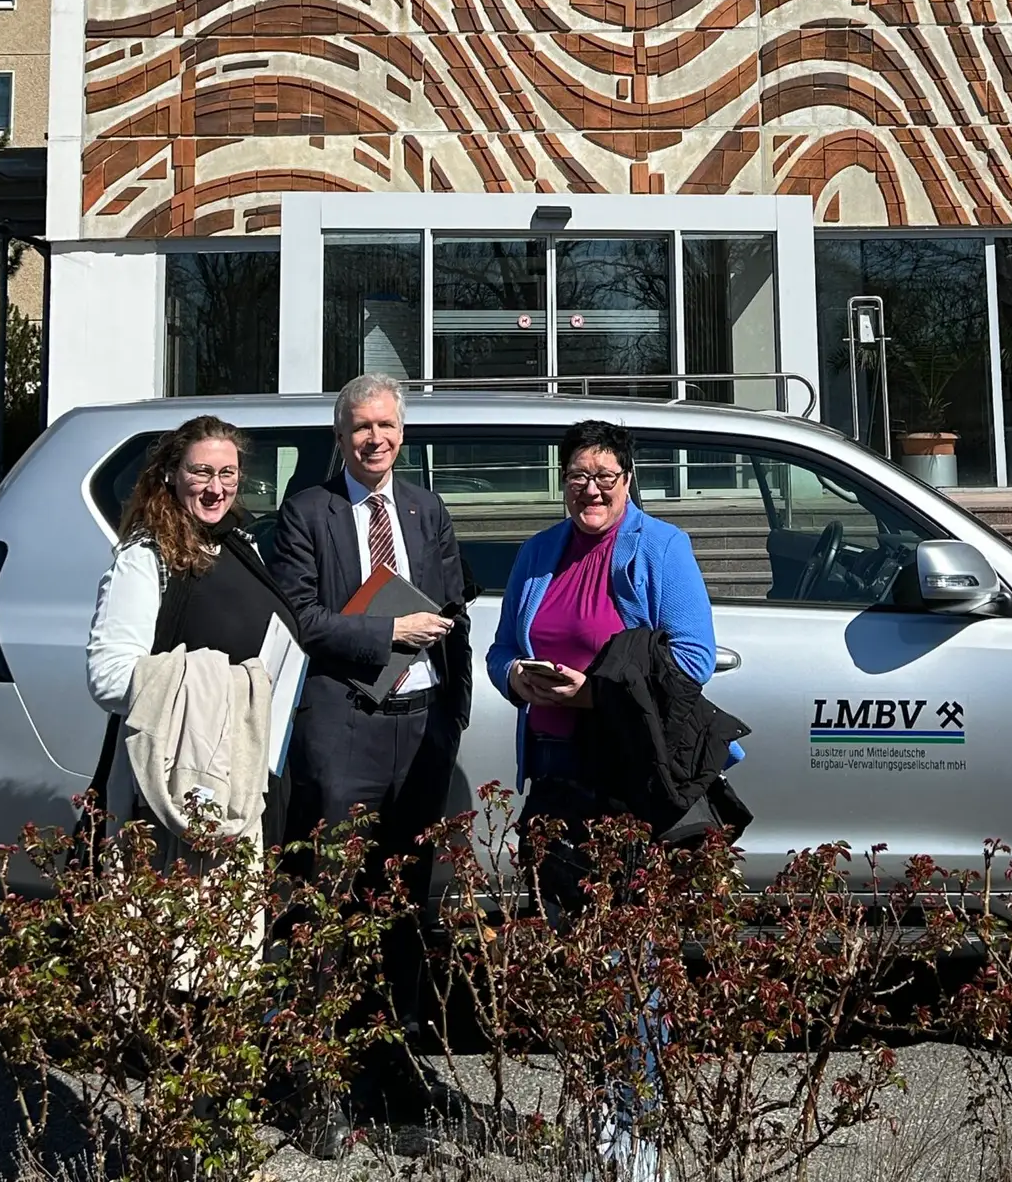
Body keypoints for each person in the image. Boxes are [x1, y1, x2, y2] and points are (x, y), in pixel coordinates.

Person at [269, 373, 471, 1123]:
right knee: (330, 898)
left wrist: (452, 715)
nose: (374, 439)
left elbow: (454, 610)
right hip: (343, 726)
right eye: (360, 428)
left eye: (386, 426)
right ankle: (319, 1078)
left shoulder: (424, 509)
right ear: (339, 434)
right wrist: (385, 633)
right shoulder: (306, 512)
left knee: (405, 900)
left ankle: (395, 1064)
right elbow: (300, 617)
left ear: (403, 432)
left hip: (419, 726)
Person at [486, 417, 719, 837]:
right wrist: (515, 677)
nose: (591, 490)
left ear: (627, 480)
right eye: (578, 476)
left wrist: (593, 694)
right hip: (550, 763)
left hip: (627, 762)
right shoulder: (538, 551)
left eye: (605, 476)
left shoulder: (661, 546)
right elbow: (501, 648)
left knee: (620, 896)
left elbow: (693, 661)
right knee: (552, 891)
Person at [86, 414, 299, 854]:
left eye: (227, 474)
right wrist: (224, 691)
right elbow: (108, 677)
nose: (215, 488)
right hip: (184, 778)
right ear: (170, 474)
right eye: (200, 472)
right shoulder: (146, 558)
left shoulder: (238, 542)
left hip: (248, 767)